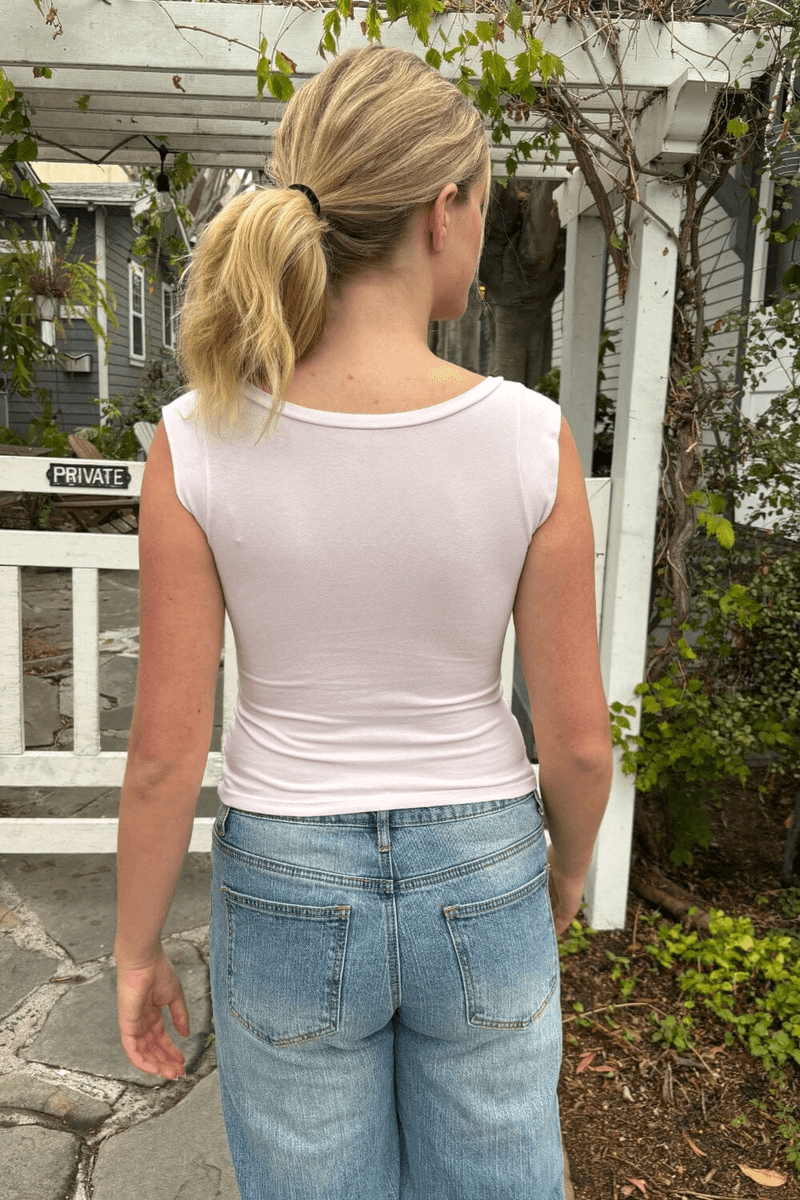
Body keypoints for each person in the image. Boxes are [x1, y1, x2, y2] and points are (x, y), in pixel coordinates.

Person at [114, 43, 612, 1200]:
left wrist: (136, 952)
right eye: (484, 201)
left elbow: (164, 756)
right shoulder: (528, 438)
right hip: (481, 862)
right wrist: (564, 872)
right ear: (443, 210)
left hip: (286, 875)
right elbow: (578, 743)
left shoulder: (198, 438)